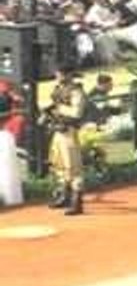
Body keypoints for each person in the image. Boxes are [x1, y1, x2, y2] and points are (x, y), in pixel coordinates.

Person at [44, 80, 86, 216]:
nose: (58, 76)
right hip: (58, 131)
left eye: (62, 73)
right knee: (58, 164)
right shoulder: (58, 89)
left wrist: (59, 107)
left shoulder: (76, 91)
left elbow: (77, 112)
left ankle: (76, 202)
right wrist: (48, 113)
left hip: (69, 131)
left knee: (73, 166)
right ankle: (64, 197)